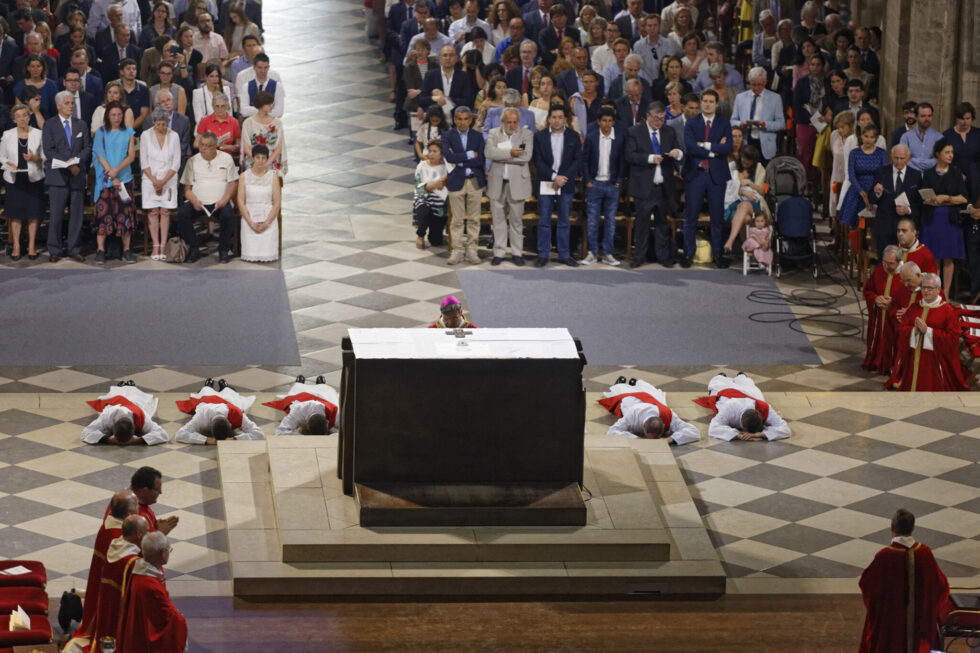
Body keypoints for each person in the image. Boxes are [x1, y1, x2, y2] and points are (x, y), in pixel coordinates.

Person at [859, 509, 951, 653]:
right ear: (912, 528)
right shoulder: (925, 553)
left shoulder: (884, 556)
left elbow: (868, 586)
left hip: (889, 625)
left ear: (892, 528)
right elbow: (941, 586)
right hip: (919, 624)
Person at [65, 489, 138, 649]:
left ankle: (74, 600)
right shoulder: (119, 539)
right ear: (129, 512)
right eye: (137, 504)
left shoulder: (109, 527)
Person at [887, 272, 969, 391]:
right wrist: (913, 330)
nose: (926, 291)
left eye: (930, 288)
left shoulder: (948, 311)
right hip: (914, 358)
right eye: (924, 287)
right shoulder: (914, 307)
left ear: (938, 289)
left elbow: (952, 338)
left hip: (935, 361)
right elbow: (901, 329)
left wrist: (928, 332)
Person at [625, 101, 683, 268]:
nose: (660, 122)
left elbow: (679, 151)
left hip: (663, 187)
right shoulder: (635, 132)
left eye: (662, 119)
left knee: (662, 224)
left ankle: (663, 257)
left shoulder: (669, 131)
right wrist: (650, 158)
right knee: (642, 224)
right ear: (648, 117)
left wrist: (677, 153)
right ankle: (639, 257)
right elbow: (629, 155)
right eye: (657, 119)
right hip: (644, 187)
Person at [115, 531, 188, 653]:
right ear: (163, 554)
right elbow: (171, 619)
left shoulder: (140, 572)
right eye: (168, 550)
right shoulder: (152, 586)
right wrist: (181, 620)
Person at [682, 89, 732, 268]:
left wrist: (706, 146)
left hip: (716, 176)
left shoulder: (724, 123)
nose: (708, 104)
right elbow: (690, 147)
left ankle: (718, 254)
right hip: (695, 174)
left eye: (711, 101)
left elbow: (728, 148)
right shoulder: (691, 123)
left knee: (717, 217)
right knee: (691, 216)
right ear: (701, 103)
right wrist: (715, 149)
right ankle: (688, 253)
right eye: (705, 101)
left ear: (717, 104)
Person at [86, 514, 148, 650]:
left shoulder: (115, 548)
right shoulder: (132, 563)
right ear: (138, 534)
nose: (148, 536)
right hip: (121, 614)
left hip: (108, 607)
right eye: (146, 532)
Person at [42, 90, 90, 262]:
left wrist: (76, 160)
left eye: (72, 103)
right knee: (56, 215)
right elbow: (49, 151)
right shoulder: (49, 125)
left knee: (76, 215)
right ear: (58, 105)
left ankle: (74, 248)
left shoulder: (81, 124)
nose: (71, 106)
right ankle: (54, 250)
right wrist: (70, 164)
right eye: (67, 103)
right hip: (58, 177)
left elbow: (87, 148)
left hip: (77, 176)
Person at [178, 130, 239, 263]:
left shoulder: (226, 159)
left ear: (215, 146)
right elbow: (187, 189)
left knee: (228, 215)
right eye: (201, 145)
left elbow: (233, 183)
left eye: (207, 146)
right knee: (183, 214)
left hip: (220, 202)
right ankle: (194, 249)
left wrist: (224, 200)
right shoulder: (192, 161)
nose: (203, 148)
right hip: (198, 202)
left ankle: (223, 250)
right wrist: (194, 201)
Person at [532, 103, 581, 267]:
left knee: (564, 221)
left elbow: (577, 160)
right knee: (544, 220)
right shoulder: (540, 136)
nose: (557, 120)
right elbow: (537, 160)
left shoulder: (573, 136)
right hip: (546, 182)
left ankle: (564, 254)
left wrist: (563, 177)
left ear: (565, 119)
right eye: (554, 117)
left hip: (565, 183)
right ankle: (543, 254)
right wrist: (554, 176)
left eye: (560, 117)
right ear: (549, 119)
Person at [919, 138, 969, 298]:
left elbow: (963, 198)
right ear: (938, 154)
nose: (950, 155)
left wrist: (945, 198)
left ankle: (945, 293)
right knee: (933, 259)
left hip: (950, 220)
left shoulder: (956, 173)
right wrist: (933, 200)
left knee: (948, 258)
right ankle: (934, 291)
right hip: (932, 219)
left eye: (952, 152)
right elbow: (923, 198)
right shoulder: (928, 173)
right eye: (947, 152)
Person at [485, 106, 532, 265]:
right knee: (498, 219)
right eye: (509, 122)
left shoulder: (526, 134)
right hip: (497, 182)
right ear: (502, 121)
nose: (512, 125)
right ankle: (499, 252)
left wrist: (502, 154)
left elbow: (525, 157)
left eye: (515, 122)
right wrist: (511, 153)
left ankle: (517, 253)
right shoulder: (493, 133)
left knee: (516, 220)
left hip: (517, 183)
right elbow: (489, 153)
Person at [92, 100, 137, 264]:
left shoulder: (129, 132)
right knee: (104, 216)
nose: (116, 117)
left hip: (124, 179)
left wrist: (117, 171)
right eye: (113, 115)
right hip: (106, 180)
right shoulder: (101, 132)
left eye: (119, 114)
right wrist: (112, 175)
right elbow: (100, 154)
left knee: (125, 216)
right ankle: (100, 250)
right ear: (107, 116)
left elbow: (131, 156)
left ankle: (126, 250)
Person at [599, 377, 700, 445]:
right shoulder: (632, 414)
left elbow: (694, 432)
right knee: (625, 395)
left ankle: (635, 384)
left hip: (655, 404)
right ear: (643, 426)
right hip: (634, 403)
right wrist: (636, 439)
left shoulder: (668, 415)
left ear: (664, 426)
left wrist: (670, 439)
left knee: (654, 394)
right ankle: (620, 385)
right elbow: (612, 431)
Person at [0, 104, 44, 261]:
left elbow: (44, 158)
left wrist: (34, 159)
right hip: (14, 179)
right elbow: (2, 157)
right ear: (14, 119)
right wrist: (9, 164)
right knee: (16, 214)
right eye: (18, 116)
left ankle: (32, 245)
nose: (22, 119)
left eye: (24, 115)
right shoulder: (7, 135)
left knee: (33, 214)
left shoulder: (38, 134)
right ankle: (17, 245)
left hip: (33, 178)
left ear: (29, 116)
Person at [582, 107, 624, 266]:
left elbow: (622, 161)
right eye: (604, 121)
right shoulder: (592, 137)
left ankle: (607, 253)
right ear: (598, 122)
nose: (607, 124)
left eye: (610, 121)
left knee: (610, 222)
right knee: (592, 221)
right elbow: (584, 160)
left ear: (613, 122)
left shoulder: (619, 138)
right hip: (595, 183)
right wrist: (588, 180)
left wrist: (619, 181)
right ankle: (592, 252)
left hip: (612, 185)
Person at [443, 105, 485, 265]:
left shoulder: (477, 136)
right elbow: (448, 157)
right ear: (454, 120)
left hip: (475, 181)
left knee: (474, 219)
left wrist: (459, 158)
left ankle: (472, 250)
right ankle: (457, 251)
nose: (462, 122)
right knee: (457, 219)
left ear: (470, 119)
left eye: (466, 119)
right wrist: (469, 155)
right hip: (456, 180)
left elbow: (480, 159)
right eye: (459, 119)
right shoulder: (447, 136)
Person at [694, 372, 791, 441]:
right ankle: (724, 376)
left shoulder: (765, 408)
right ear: (741, 423)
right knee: (717, 383)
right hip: (728, 394)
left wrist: (761, 434)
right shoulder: (729, 408)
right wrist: (737, 435)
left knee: (749, 386)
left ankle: (741, 376)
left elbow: (785, 429)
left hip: (751, 396)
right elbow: (713, 429)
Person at [140, 107, 181, 260]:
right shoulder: (145, 135)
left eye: (164, 124)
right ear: (153, 122)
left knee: (165, 212)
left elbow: (176, 163)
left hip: (168, 179)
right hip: (150, 179)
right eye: (158, 124)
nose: (161, 128)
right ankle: (155, 245)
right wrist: (155, 181)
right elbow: (144, 162)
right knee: (153, 212)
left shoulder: (174, 136)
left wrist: (163, 181)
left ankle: (163, 246)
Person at [862, 245, 909, 376]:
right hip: (879, 317)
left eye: (890, 263)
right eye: (884, 261)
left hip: (895, 320)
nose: (886, 266)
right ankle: (877, 361)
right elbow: (867, 290)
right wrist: (876, 299)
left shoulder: (906, 275)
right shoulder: (879, 270)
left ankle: (893, 366)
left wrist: (893, 303)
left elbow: (912, 301)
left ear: (899, 261)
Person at [175, 378, 265, 444]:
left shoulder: (237, 414)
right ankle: (209, 385)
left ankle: (224, 386)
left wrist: (235, 439)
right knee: (206, 391)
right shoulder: (201, 416)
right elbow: (179, 435)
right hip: (207, 403)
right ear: (210, 425)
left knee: (229, 394)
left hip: (228, 404)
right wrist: (206, 440)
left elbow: (260, 434)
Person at [721, 144, 769, 261]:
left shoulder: (759, 168)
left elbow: (762, 191)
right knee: (746, 219)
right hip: (735, 203)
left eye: (748, 160)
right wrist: (742, 192)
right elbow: (729, 190)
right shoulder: (733, 168)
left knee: (745, 205)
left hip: (754, 204)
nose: (744, 162)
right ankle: (749, 252)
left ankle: (730, 242)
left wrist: (750, 184)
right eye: (743, 158)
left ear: (753, 161)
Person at [82, 382, 170, 445]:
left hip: (136, 404)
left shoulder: (143, 418)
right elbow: (85, 433)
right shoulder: (106, 417)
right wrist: (109, 440)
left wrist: (138, 440)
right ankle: (126, 387)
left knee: (135, 397)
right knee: (127, 395)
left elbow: (163, 435)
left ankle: (128, 387)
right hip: (118, 404)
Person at [236, 143, 281, 263]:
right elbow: (241, 201)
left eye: (263, 158)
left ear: (267, 159)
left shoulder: (273, 176)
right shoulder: (244, 176)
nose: (260, 161)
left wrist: (266, 223)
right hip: (249, 216)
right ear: (253, 158)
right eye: (257, 157)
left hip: (268, 216)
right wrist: (250, 222)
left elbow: (276, 203)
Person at [837, 123, 888, 230]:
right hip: (857, 189)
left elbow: (885, 173)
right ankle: (854, 246)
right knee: (854, 225)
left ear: (876, 138)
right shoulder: (854, 153)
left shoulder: (881, 153)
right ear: (861, 136)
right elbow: (851, 174)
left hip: (875, 189)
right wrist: (861, 192)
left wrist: (877, 189)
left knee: (876, 224)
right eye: (866, 136)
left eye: (872, 137)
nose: (868, 139)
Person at [730, 66, 784, 163]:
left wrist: (766, 124)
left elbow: (781, 123)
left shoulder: (775, 98)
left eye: (759, 85)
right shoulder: (740, 97)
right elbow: (732, 120)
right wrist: (740, 124)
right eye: (753, 84)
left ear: (765, 83)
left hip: (765, 144)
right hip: (746, 142)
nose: (756, 88)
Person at [265, 375, 340, 435]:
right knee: (298, 389)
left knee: (327, 393)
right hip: (303, 399)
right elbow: (280, 431)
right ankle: (299, 383)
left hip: (323, 398)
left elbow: (349, 430)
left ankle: (321, 384)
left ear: (327, 422)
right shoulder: (297, 411)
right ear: (307, 422)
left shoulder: (336, 414)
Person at [413, 137, 449, 248]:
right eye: (430, 151)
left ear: (441, 153)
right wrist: (432, 185)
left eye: (435, 151)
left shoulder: (445, 167)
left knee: (435, 241)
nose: (431, 154)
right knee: (423, 209)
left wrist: (443, 181)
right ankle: (420, 235)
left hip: (440, 200)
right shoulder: (422, 166)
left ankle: (436, 232)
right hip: (424, 196)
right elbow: (418, 187)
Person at [241, 89, 287, 175]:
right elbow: (246, 147)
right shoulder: (248, 123)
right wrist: (258, 162)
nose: (272, 106)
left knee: (274, 174)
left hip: (272, 161)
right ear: (261, 105)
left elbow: (279, 148)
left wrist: (266, 163)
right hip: (253, 161)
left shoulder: (277, 123)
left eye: (272, 103)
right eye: (269, 104)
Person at [944, 101, 980, 199]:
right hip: (954, 178)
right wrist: (956, 174)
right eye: (961, 118)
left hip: (976, 179)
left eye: (968, 118)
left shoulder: (978, 134)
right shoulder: (947, 135)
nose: (965, 122)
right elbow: (943, 159)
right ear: (957, 118)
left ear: (972, 118)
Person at [236, 53, 284, 118]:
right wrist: (266, 109)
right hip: (252, 124)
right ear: (254, 67)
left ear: (269, 67)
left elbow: (279, 112)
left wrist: (253, 110)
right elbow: (244, 111)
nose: (263, 71)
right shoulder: (246, 86)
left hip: (271, 125)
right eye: (260, 68)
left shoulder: (277, 86)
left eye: (266, 68)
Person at [900, 102, 942, 174]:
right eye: (923, 116)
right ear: (916, 117)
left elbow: (941, 161)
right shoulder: (906, 137)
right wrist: (930, 162)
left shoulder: (939, 137)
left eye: (929, 116)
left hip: (932, 178)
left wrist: (912, 160)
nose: (927, 119)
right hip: (911, 177)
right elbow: (902, 160)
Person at [194, 91, 238, 155]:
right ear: (213, 106)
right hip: (208, 155)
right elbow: (196, 144)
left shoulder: (234, 122)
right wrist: (208, 145)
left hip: (226, 157)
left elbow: (238, 146)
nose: (220, 109)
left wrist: (229, 147)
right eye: (217, 106)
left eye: (223, 106)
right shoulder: (205, 121)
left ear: (227, 107)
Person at [12, 53, 57, 117]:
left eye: (38, 66)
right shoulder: (20, 86)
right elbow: (17, 112)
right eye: (32, 66)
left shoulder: (51, 85)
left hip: (48, 122)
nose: (35, 69)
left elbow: (55, 110)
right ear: (28, 68)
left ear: (43, 68)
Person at [828, 110, 854, 220]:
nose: (839, 130)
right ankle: (835, 224)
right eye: (838, 127)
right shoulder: (834, 135)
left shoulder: (855, 139)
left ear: (850, 125)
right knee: (835, 201)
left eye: (842, 127)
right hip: (836, 175)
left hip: (849, 176)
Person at [191, 62, 233, 128]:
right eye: (211, 76)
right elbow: (198, 119)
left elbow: (229, 113)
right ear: (206, 77)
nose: (214, 79)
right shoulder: (197, 93)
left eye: (217, 76)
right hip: (205, 131)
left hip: (224, 128)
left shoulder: (225, 90)